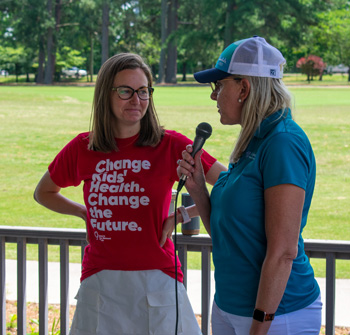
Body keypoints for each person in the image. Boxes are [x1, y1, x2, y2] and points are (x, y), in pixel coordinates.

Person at [34, 52, 226, 335]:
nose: (136, 100)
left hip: (158, 281)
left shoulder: (170, 145)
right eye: (125, 91)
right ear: (105, 95)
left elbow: (230, 185)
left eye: (143, 91)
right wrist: (83, 212)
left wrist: (182, 214)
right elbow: (44, 192)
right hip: (100, 283)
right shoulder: (83, 147)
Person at [177, 36, 322, 335]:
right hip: (232, 307)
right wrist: (198, 190)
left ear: (243, 88)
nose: (213, 96)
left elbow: (283, 250)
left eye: (219, 86)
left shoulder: (282, 142)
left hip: (277, 316)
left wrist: (258, 327)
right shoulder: (253, 139)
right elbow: (228, 232)